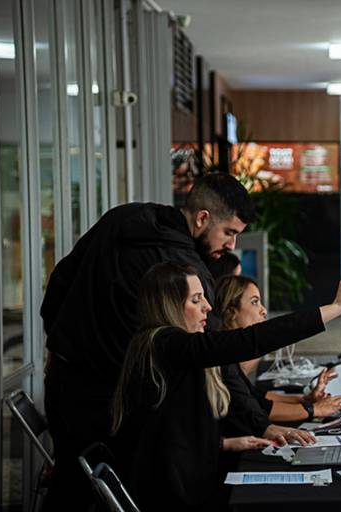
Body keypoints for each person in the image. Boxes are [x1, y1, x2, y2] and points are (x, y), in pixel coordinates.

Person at [40, 173, 255, 509]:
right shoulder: (185, 269)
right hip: (115, 404)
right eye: (229, 232)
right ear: (202, 218)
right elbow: (212, 350)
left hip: (66, 387)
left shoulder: (121, 217)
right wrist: (259, 420)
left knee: (72, 486)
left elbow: (60, 281)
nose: (232, 245)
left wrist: (59, 345)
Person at [111, 262, 341, 510]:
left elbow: (175, 429)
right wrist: (336, 307)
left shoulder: (159, 345)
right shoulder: (167, 344)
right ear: (169, 305)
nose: (207, 307)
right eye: (196, 300)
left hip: (174, 482)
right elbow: (251, 340)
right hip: (169, 496)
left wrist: (223, 444)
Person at [214, 274, 341, 431]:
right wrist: (314, 409)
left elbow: (256, 397)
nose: (263, 310)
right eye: (254, 302)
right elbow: (254, 409)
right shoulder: (223, 365)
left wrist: (306, 400)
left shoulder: (231, 363)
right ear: (231, 312)